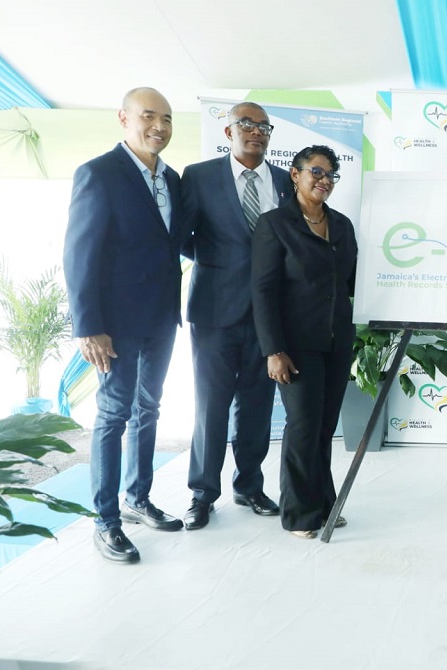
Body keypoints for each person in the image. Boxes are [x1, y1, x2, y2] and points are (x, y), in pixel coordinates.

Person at [63, 87, 187, 563]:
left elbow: (174, 243)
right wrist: (88, 326)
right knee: (114, 415)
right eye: (149, 116)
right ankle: (106, 521)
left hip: (161, 319)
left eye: (168, 119)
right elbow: (80, 253)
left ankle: (138, 500)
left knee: (149, 409)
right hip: (112, 325)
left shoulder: (171, 178)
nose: (159, 126)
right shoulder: (98, 173)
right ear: (124, 118)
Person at [180, 102, 293, 530]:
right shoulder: (199, 176)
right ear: (228, 131)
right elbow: (184, 238)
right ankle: (202, 494)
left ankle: (249, 485)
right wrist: (221, 265)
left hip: (268, 315)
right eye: (246, 124)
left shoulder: (285, 181)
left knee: (258, 404)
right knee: (211, 405)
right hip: (214, 310)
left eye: (264, 126)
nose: (256, 132)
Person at [251, 145, 357, 539]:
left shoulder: (342, 225)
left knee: (325, 428)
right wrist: (273, 350)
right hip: (294, 346)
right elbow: (262, 291)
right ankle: (298, 515)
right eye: (316, 171)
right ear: (295, 175)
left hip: (336, 341)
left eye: (331, 175)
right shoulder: (275, 224)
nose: (324, 180)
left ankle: (324, 504)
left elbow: (351, 281)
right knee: (302, 427)